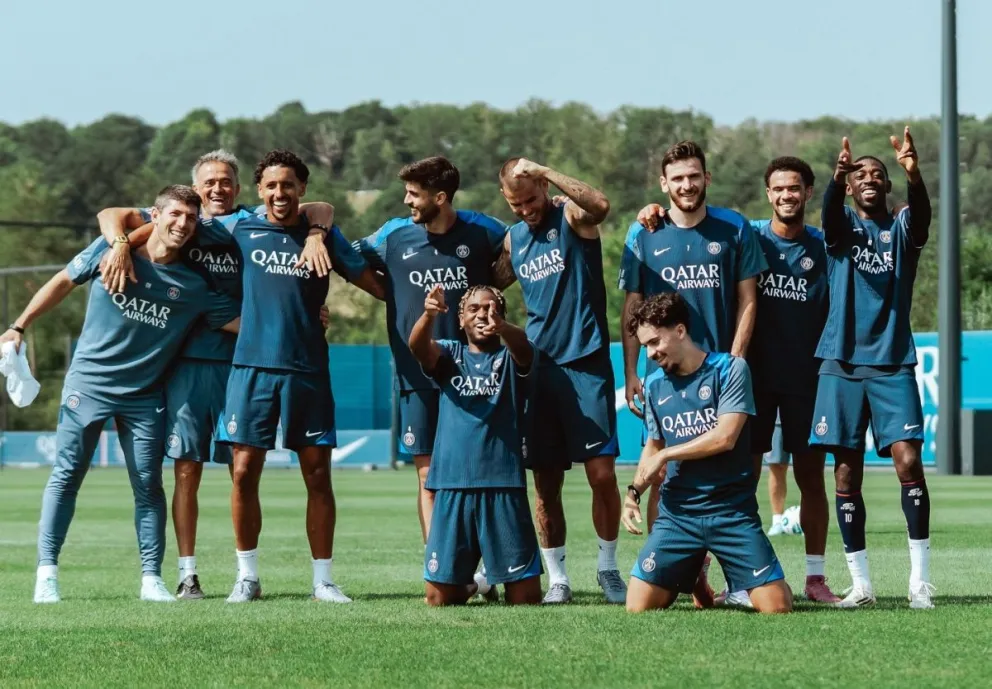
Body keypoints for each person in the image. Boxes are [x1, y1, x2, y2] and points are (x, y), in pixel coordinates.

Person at [95, 149, 335, 599]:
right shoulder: (188, 224)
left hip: (244, 362)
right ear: (197, 188)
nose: (218, 188)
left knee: (242, 471)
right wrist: (123, 244)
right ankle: (189, 574)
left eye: (226, 181)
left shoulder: (246, 222)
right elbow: (114, 214)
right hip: (189, 363)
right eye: (209, 182)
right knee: (187, 469)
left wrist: (316, 245)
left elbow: (318, 209)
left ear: (239, 188)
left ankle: (245, 574)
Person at [0, 185, 241, 603]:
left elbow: (243, 323)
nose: (182, 224)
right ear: (156, 214)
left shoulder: (194, 285)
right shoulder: (111, 250)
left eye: (190, 217)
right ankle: (47, 575)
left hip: (145, 397)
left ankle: (152, 579)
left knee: (148, 485)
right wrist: (19, 327)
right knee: (67, 477)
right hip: (87, 387)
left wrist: (305, 317)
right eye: (175, 214)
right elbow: (61, 282)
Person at [212, 149, 383, 603]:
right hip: (250, 370)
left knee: (317, 474)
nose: (279, 193)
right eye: (270, 185)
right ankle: (247, 576)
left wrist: (411, 307)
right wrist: (124, 244)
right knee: (244, 471)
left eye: (287, 184)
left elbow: (367, 277)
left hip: (307, 369)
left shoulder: (323, 233)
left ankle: (323, 580)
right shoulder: (240, 226)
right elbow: (182, 230)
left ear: (301, 188)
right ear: (259, 191)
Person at [624, 140, 767, 605]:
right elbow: (631, 309)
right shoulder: (643, 232)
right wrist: (631, 373)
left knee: (738, 468)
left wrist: (736, 360)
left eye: (694, 176)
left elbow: (748, 299)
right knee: (666, 470)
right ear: (664, 184)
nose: (687, 184)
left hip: (719, 373)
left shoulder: (734, 228)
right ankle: (684, 574)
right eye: (677, 178)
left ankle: (741, 579)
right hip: (666, 374)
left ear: (706, 178)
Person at [354, 156, 508, 544]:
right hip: (415, 374)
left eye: (414, 194)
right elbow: (347, 259)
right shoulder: (392, 234)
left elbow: (522, 242)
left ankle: (485, 562)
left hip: (475, 375)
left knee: (479, 469)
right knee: (427, 474)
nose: (407, 201)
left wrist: (498, 283)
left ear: (440, 197)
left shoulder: (483, 230)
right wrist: (387, 293)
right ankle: (442, 566)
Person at [812, 129, 933, 609]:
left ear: (887, 186)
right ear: (849, 186)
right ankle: (861, 585)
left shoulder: (902, 228)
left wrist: (914, 175)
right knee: (845, 472)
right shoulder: (842, 227)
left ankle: (919, 581)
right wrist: (834, 177)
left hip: (892, 361)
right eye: (860, 174)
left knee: (907, 459)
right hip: (840, 363)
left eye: (877, 175)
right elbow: (827, 217)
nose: (870, 179)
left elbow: (921, 217)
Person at [498, 157, 624, 604]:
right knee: (545, 483)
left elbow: (601, 205)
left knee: (602, 474)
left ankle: (608, 569)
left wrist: (548, 174)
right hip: (539, 370)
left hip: (586, 361)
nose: (526, 210)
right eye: (516, 203)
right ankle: (558, 578)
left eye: (531, 199)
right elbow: (488, 283)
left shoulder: (570, 216)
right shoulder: (513, 239)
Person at [621, 293, 791, 615]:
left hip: (731, 511)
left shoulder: (730, 369)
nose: (651, 353)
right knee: (637, 607)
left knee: (777, 608)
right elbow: (653, 448)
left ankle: (742, 574)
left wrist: (667, 455)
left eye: (655, 342)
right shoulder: (656, 385)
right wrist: (633, 493)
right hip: (678, 516)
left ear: (681, 330)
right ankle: (693, 571)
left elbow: (725, 438)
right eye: (645, 346)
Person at [408, 284, 542, 606]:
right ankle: (477, 585)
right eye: (474, 309)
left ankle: (488, 579)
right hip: (454, 482)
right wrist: (427, 315)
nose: (483, 314)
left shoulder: (511, 355)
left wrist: (505, 328)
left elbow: (525, 349)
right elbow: (417, 346)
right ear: (460, 321)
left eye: (491, 308)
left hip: (503, 483)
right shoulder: (450, 354)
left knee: (525, 599)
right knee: (438, 599)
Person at [744, 156, 839, 603]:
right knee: (743, 478)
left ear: (807, 193)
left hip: (808, 381)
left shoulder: (823, 248)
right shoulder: (748, 238)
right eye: (779, 188)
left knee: (811, 479)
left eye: (795, 188)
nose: (787, 195)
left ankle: (815, 578)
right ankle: (744, 575)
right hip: (754, 381)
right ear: (769, 194)